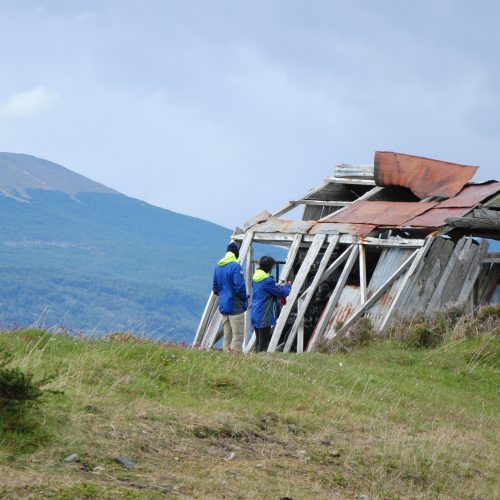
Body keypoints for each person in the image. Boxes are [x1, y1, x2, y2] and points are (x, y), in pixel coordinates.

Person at [251, 256, 291, 352]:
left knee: (258, 341)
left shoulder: (255, 277)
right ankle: (259, 362)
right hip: (264, 314)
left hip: (256, 312)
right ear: (269, 268)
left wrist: (275, 285)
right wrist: (288, 286)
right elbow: (282, 293)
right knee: (263, 344)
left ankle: (254, 360)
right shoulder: (268, 280)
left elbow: (264, 290)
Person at [212, 242, 247, 353]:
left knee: (227, 334)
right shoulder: (236, 266)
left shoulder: (218, 267)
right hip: (235, 306)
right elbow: (240, 287)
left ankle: (227, 357)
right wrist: (244, 298)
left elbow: (215, 289)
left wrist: (224, 295)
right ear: (236, 253)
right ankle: (236, 358)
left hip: (224, 306)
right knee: (238, 335)